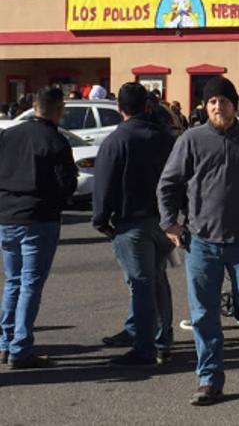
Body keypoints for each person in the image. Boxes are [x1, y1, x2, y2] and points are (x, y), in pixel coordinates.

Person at [158, 76, 239, 406]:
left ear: (235, 106)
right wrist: (169, 223)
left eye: (225, 101)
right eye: (213, 101)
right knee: (204, 314)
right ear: (205, 106)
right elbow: (168, 184)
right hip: (202, 241)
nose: (219, 106)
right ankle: (209, 378)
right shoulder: (191, 140)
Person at [92, 83, 176, 366]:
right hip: (163, 220)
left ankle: (144, 347)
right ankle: (163, 339)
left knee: (141, 284)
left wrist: (101, 220)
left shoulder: (117, 141)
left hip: (132, 220)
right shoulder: (165, 138)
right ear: (148, 106)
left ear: (119, 108)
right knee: (158, 279)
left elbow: (104, 183)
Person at [0, 87, 77, 369]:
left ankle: (5, 342)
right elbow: (67, 183)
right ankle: (20, 347)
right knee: (30, 284)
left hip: (7, 215)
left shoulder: (8, 135)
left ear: (34, 106)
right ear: (59, 109)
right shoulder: (55, 141)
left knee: (13, 281)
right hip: (39, 217)